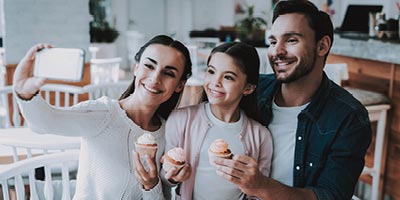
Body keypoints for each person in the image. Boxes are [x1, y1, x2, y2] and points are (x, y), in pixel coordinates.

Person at [211, 1, 372, 200]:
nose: (276, 51)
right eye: (272, 42)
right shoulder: (253, 90)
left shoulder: (349, 118)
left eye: (291, 40)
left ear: (322, 46)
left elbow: (331, 195)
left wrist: (261, 186)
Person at [13, 35, 192, 200]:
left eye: (168, 73)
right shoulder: (104, 114)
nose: (155, 78)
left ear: (179, 85)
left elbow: (160, 191)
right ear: (136, 68)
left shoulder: (168, 132)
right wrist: (24, 92)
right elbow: (45, 123)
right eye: (149, 65)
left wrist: (164, 181)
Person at [162, 42, 273, 199]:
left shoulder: (261, 136)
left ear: (248, 88)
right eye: (211, 71)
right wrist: (173, 177)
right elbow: (164, 177)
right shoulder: (181, 120)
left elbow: (259, 194)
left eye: (228, 77)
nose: (215, 82)